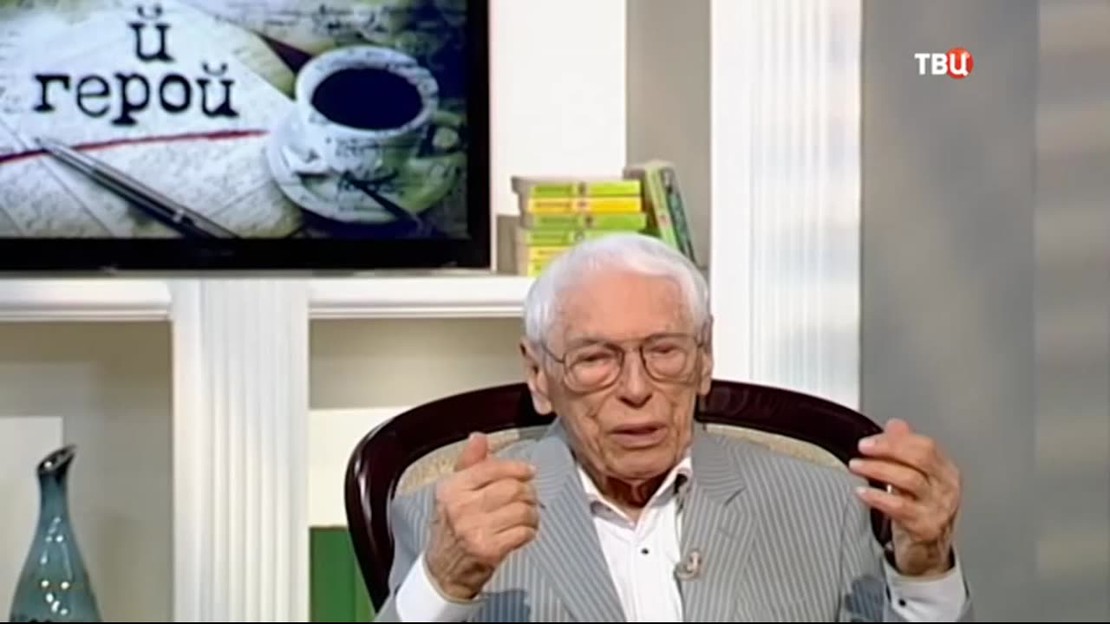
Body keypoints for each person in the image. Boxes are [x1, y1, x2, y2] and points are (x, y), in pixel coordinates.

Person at [374, 233, 972, 622]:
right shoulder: (449, 521)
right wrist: (445, 582)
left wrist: (924, 573)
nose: (636, 388)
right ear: (539, 374)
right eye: (596, 359)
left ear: (704, 357)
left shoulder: (824, 505)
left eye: (664, 351)